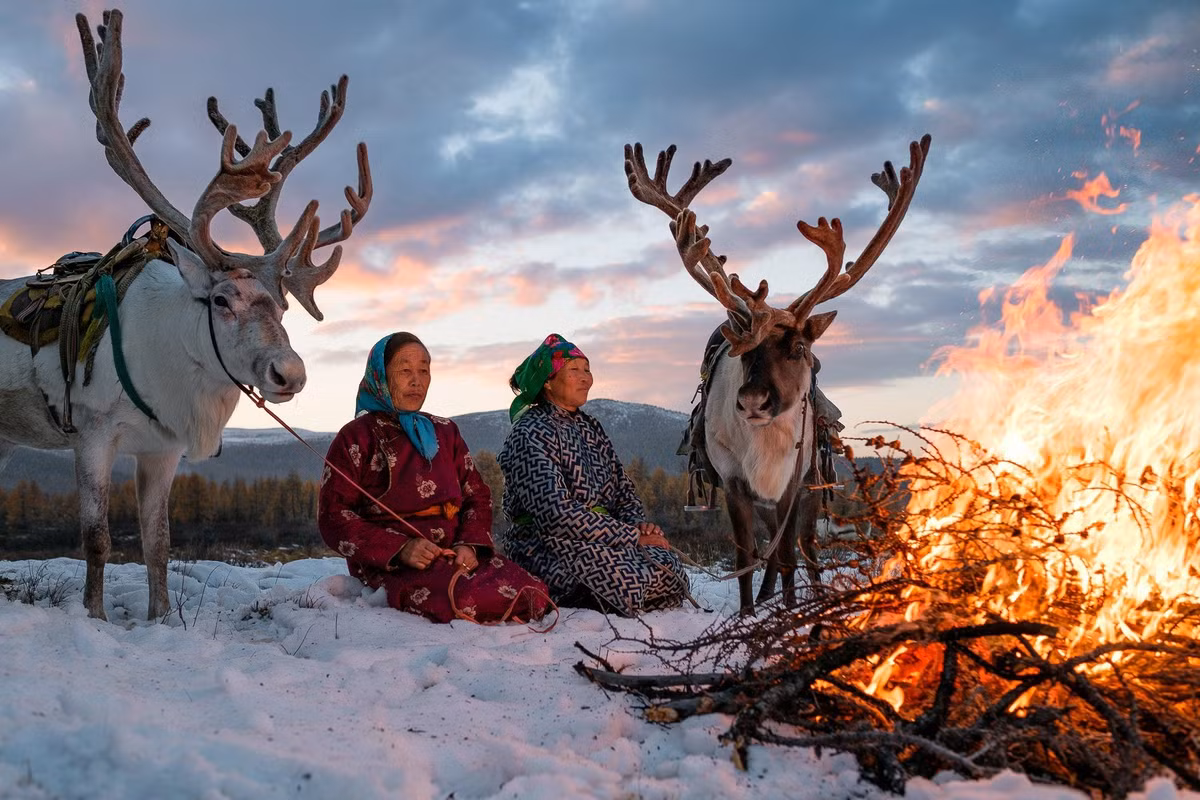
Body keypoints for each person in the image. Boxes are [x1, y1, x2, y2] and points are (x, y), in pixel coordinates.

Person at [318, 332, 550, 624]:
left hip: (456, 553)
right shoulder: (356, 437)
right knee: (465, 599)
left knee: (534, 591)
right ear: (379, 375)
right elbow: (333, 516)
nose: (416, 380)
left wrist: (469, 545)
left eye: (424, 370)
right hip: (393, 563)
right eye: (404, 370)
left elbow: (477, 494)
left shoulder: (445, 431)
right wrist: (401, 549)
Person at [496, 333, 689, 616]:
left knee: (667, 565)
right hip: (546, 543)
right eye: (574, 370)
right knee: (629, 580)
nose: (585, 378)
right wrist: (631, 537)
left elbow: (623, 490)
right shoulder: (529, 434)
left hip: (603, 538)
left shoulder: (591, 428)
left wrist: (639, 526)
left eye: (587, 369)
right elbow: (556, 515)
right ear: (548, 382)